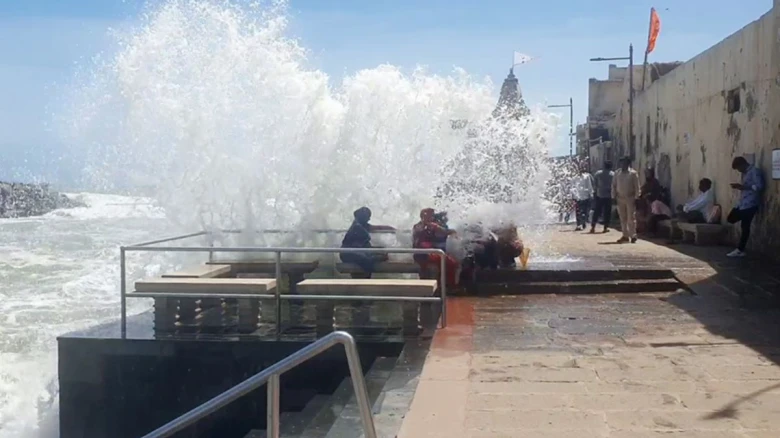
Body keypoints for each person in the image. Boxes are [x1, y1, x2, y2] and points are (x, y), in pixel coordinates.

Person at [726, 156, 765, 257]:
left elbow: (759, 186)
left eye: (738, 168)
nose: (739, 171)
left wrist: (743, 187)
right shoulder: (745, 173)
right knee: (731, 218)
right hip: (743, 203)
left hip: (751, 203)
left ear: (742, 164)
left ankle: (740, 249)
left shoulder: (754, 171)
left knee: (745, 226)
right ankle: (740, 249)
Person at [340, 207, 395, 277]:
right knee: (369, 260)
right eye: (368, 217)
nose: (369, 219)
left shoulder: (361, 224)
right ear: (363, 217)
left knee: (380, 251)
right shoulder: (357, 227)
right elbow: (359, 248)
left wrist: (392, 229)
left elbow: (378, 228)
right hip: (349, 254)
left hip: (356, 251)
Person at [412, 208, 459, 286]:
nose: (431, 216)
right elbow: (444, 232)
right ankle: (449, 287)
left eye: (432, 215)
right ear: (422, 216)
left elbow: (445, 232)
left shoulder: (432, 225)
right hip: (422, 254)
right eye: (429, 214)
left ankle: (444, 285)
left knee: (451, 262)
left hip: (431, 253)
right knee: (449, 262)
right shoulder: (419, 226)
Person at [611, 156, 641, 243]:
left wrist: (637, 197)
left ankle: (633, 235)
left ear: (628, 163)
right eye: (621, 162)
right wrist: (613, 197)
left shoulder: (633, 173)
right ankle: (625, 235)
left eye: (625, 162)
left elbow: (637, 187)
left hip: (630, 198)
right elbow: (613, 185)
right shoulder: (617, 173)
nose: (623, 164)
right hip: (620, 198)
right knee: (622, 218)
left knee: (631, 218)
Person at [590, 160, 614, 234]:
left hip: (599, 194)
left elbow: (594, 184)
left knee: (597, 211)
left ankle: (593, 227)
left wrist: (596, 191)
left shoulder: (598, 173)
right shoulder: (613, 174)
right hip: (609, 195)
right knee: (607, 212)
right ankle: (605, 227)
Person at [570, 162, 594, 231]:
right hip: (578, 197)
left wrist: (591, 194)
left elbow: (589, 186)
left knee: (585, 211)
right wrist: (573, 196)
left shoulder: (587, 177)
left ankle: (583, 222)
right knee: (578, 211)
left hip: (585, 196)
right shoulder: (574, 178)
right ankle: (578, 224)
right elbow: (572, 187)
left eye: (581, 168)